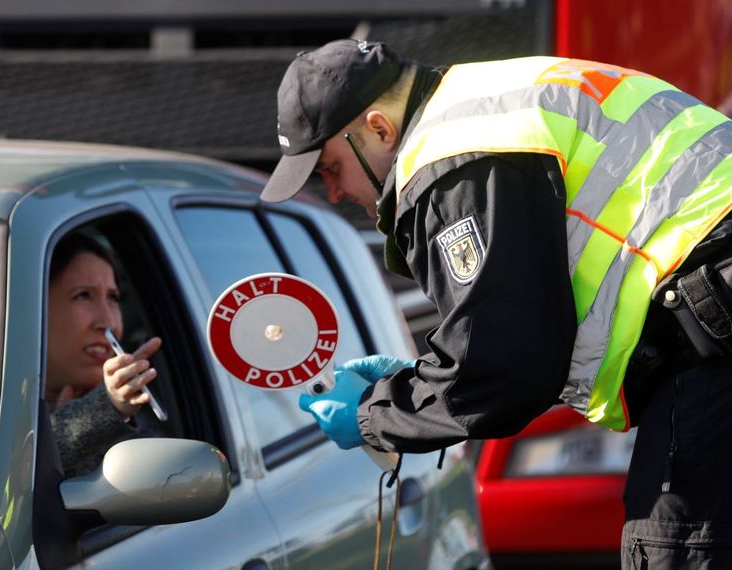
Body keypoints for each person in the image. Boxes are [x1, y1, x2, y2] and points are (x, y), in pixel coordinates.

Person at [260, 39, 732, 567]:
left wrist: (376, 413)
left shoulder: (448, 154)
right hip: (712, 311)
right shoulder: (487, 101)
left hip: (712, 331)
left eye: (329, 168)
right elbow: (528, 332)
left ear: (379, 128)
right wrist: (429, 380)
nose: (334, 193)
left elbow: (506, 362)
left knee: (678, 546)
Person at [46, 233, 163, 477]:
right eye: (82, 295)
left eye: (113, 298)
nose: (108, 322)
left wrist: (110, 409)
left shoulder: (137, 426)